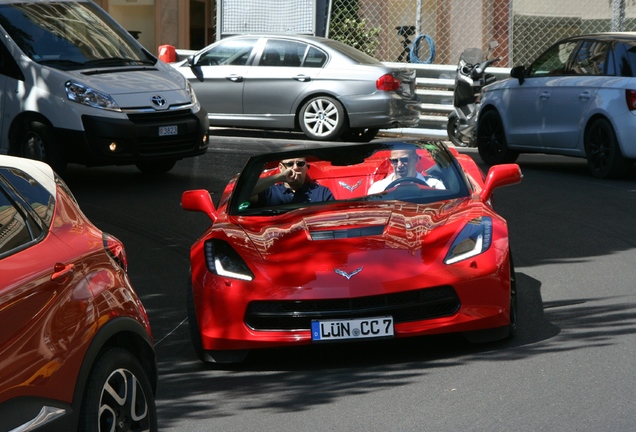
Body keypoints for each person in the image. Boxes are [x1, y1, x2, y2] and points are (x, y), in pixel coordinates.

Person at [251, 157, 334, 206]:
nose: (295, 168)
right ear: (281, 167)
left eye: (300, 164)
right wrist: (280, 177)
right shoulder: (270, 192)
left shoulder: (322, 193)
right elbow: (245, 192)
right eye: (290, 164)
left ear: (306, 167)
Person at [368, 147, 445, 194]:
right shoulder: (378, 189)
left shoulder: (434, 186)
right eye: (395, 161)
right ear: (390, 162)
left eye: (404, 160)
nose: (399, 165)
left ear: (415, 159)